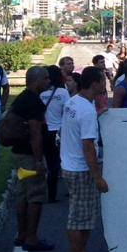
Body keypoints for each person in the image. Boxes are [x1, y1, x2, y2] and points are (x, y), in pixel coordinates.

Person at [60, 67, 109, 252]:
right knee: (80, 218)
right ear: (95, 83)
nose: (106, 84)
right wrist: (97, 177)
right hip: (81, 170)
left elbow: (77, 128)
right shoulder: (86, 110)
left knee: (81, 216)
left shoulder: (74, 102)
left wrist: (97, 114)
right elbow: (88, 146)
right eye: (103, 80)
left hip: (69, 165)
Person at [7, 66, 53, 251]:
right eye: (46, 78)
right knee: (35, 195)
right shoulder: (34, 102)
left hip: (19, 153)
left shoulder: (23, 98)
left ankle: (21, 234)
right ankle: (32, 238)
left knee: (23, 194)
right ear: (37, 80)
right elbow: (36, 133)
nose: (48, 81)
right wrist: (39, 161)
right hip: (28, 156)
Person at [40, 64, 71, 203]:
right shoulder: (63, 93)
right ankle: (71, 190)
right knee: (65, 161)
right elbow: (68, 111)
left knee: (50, 163)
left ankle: (51, 195)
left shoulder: (41, 94)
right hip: (61, 131)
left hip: (46, 131)